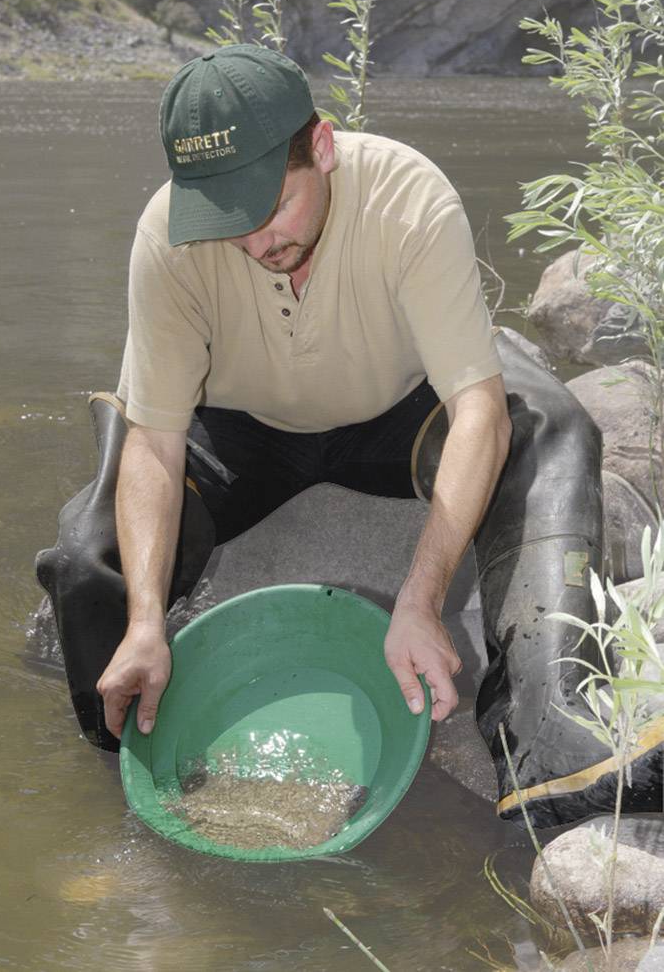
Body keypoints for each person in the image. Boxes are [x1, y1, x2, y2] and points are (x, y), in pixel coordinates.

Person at [94, 43, 512, 744]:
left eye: (274, 205)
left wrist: (422, 597)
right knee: (88, 553)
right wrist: (143, 621)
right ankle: (124, 768)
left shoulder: (408, 195)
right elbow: (156, 443)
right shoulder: (166, 236)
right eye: (229, 218)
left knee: (548, 440)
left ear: (320, 147)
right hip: (242, 435)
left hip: (397, 425)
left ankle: (545, 748)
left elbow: (478, 409)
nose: (257, 241)